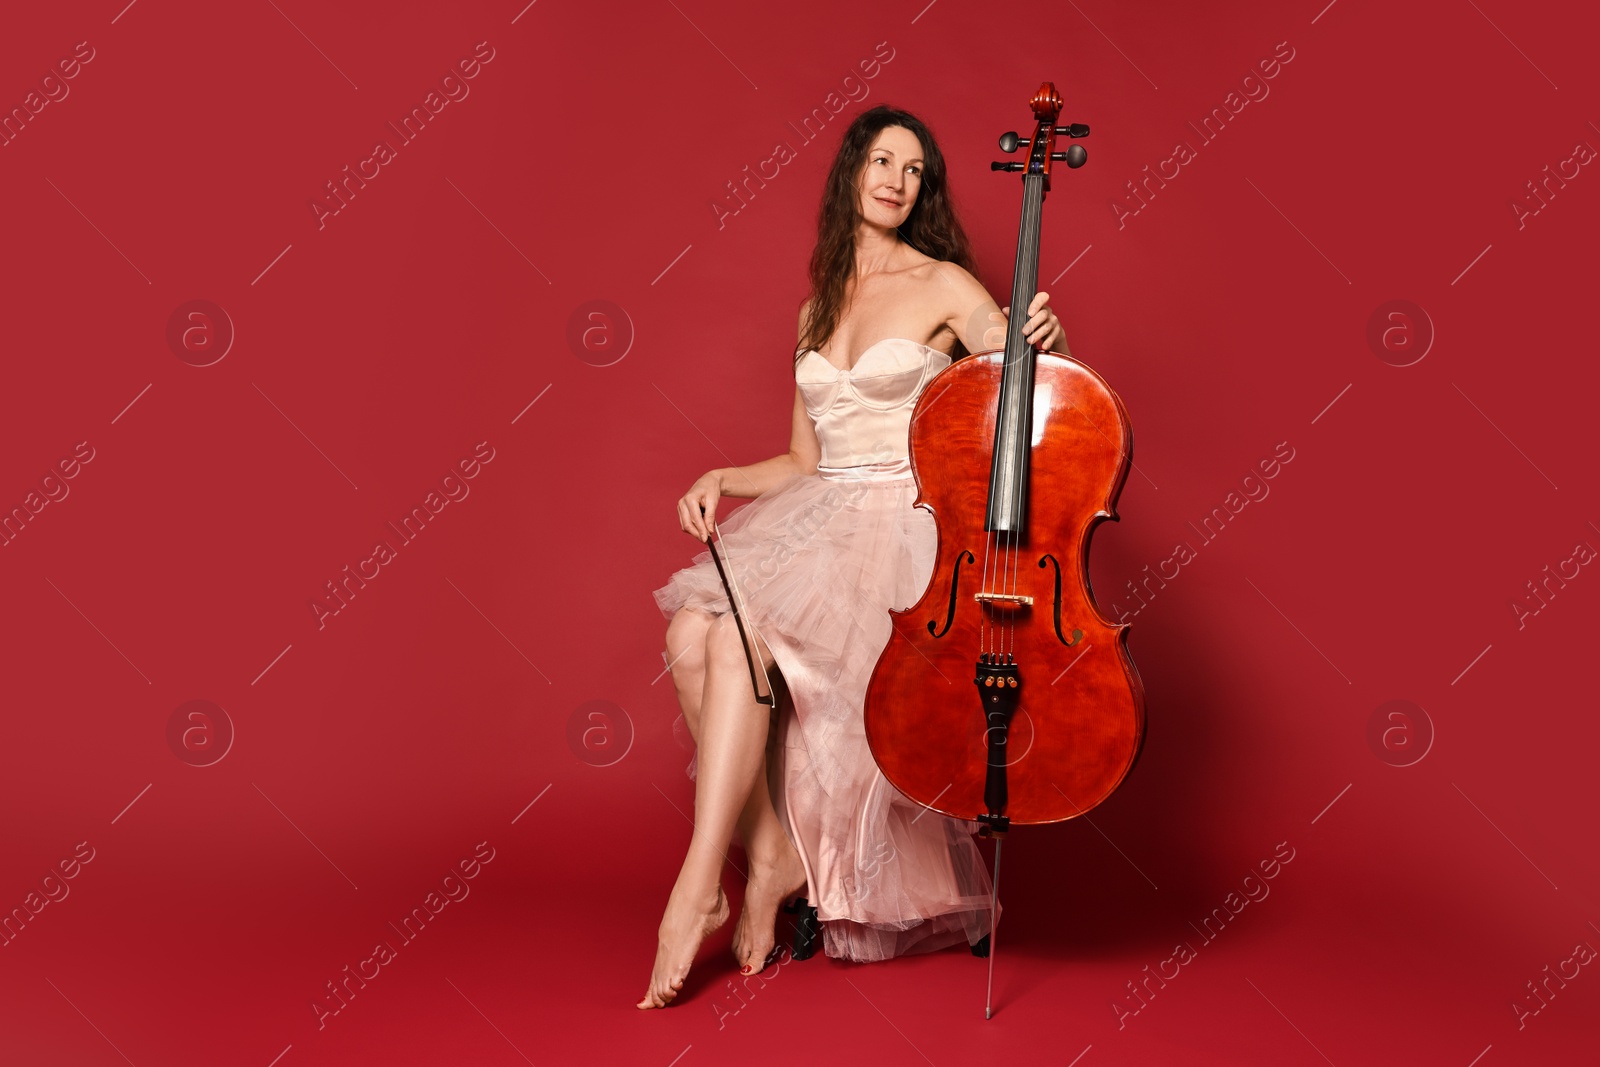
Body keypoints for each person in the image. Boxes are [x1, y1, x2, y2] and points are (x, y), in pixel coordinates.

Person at [637, 104, 1064, 1010]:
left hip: (899, 523)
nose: (895, 179)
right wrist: (722, 472)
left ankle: (698, 884)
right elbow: (803, 460)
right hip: (821, 508)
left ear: (925, 190)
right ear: (851, 174)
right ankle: (770, 856)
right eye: (880, 160)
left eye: (914, 169)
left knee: (729, 642)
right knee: (690, 631)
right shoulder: (817, 303)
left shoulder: (946, 282)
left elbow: (1025, 399)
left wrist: (1043, 342)